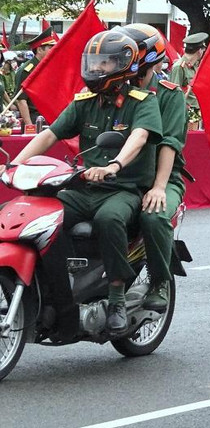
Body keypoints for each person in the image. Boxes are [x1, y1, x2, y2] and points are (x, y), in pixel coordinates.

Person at [14, 30, 163, 334]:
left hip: (124, 188)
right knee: (39, 216)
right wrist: (15, 164)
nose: (96, 69)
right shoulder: (84, 101)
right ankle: (59, 285)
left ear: (123, 65)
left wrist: (115, 165)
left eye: (105, 63)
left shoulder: (142, 101)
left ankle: (118, 298)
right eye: (94, 62)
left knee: (109, 219)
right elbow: (50, 134)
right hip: (85, 187)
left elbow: (140, 136)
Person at [119, 24, 189, 312]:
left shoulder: (170, 95)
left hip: (162, 176)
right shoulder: (115, 90)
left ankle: (160, 280)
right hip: (120, 176)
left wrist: (159, 186)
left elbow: (168, 144)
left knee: (153, 216)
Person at [13, 25, 59, 131]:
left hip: (51, 118)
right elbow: (21, 100)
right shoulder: (27, 70)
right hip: (36, 119)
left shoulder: (49, 67)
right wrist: (30, 127)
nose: (53, 50)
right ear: (39, 49)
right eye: (50, 47)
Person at [168, 31, 209, 128]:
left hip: (195, 111)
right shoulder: (179, 67)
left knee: (195, 140)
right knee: (190, 140)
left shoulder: (194, 66)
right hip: (186, 111)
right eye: (203, 49)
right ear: (199, 51)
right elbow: (174, 95)